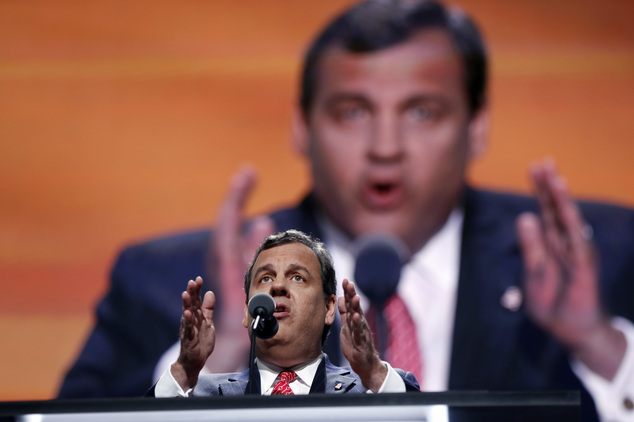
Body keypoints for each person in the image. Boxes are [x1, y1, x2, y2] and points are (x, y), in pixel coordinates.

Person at [59, 1, 634, 420]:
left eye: (423, 112)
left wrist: (599, 344)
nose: (386, 147)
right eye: (354, 112)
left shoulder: (604, 261)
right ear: (302, 128)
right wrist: (217, 358)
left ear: (476, 127)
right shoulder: (171, 288)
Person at [150, 229, 419, 396]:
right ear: (247, 312)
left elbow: (420, 414)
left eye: (298, 277)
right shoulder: (207, 396)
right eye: (265, 278)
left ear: (328, 308)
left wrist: (372, 372)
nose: (278, 286)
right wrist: (185, 371)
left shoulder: (367, 391)